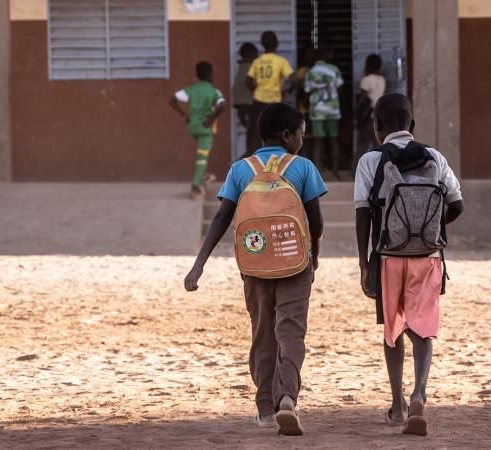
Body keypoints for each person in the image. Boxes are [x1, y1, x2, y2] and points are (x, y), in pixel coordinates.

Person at [185, 103, 326, 436]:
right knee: (291, 332)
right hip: (295, 263)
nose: (302, 140)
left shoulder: (240, 169)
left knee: (262, 332)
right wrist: (313, 255)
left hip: (255, 263)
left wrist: (199, 264)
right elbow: (316, 221)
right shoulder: (303, 167)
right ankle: (288, 397)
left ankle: (265, 408)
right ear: (288, 135)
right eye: (301, 133)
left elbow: (222, 217)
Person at [353, 93, 463, 436]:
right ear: (412, 125)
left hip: (388, 259)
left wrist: (364, 263)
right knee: (423, 329)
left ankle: (398, 405)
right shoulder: (435, 157)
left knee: (392, 332)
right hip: (427, 258)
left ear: (377, 127)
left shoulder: (370, 161)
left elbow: (362, 214)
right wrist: (431, 227)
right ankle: (420, 393)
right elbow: (457, 204)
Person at [170, 61, 226, 198]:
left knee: (202, 153)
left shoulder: (191, 89)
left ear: (197, 74)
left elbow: (172, 100)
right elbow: (222, 105)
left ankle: (203, 175)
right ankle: (195, 186)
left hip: (193, 127)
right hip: (205, 129)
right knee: (202, 157)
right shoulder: (213, 91)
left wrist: (184, 115)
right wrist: (211, 119)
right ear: (210, 75)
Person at [246, 31, 295, 154]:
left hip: (258, 100)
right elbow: (294, 79)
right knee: (276, 133)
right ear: (277, 44)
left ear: (262, 44)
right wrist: (287, 91)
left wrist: (255, 90)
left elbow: (247, 81)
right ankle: (275, 160)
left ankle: (256, 161)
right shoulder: (281, 61)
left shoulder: (257, 61)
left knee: (258, 132)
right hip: (274, 101)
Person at [305, 47, 345, 179]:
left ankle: (317, 173)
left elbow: (307, 89)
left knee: (318, 141)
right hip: (332, 110)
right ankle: (336, 172)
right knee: (333, 140)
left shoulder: (311, 71)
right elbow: (339, 87)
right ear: (328, 55)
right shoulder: (334, 70)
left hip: (317, 110)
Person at [356, 54, 387, 165]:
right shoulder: (382, 79)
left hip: (368, 116)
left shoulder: (367, 79)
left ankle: (355, 170)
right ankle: (381, 168)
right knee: (377, 144)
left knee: (362, 145)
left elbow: (362, 98)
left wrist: (356, 112)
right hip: (379, 116)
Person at [233, 43, 260, 161]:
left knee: (252, 131)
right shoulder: (251, 67)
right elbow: (251, 84)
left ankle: (250, 155)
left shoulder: (242, 66)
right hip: (249, 104)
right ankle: (249, 157)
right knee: (254, 131)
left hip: (241, 104)